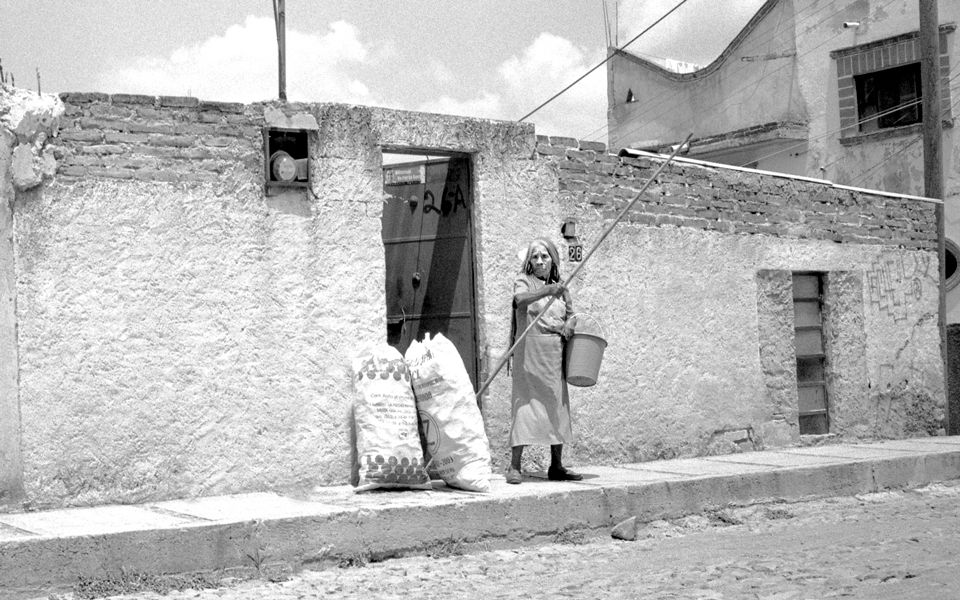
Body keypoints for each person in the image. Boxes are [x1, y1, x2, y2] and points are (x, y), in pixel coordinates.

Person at [506, 237, 581, 484]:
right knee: (524, 407)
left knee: (555, 407)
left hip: (553, 357)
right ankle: (515, 466)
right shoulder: (523, 282)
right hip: (529, 356)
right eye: (535, 257)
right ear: (529, 261)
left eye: (545, 256)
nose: (539, 261)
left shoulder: (562, 287)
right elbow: (520, 300)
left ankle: (556, 466)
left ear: (552, 260)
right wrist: (547, 291)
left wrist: (570, 324)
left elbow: (572, 315)